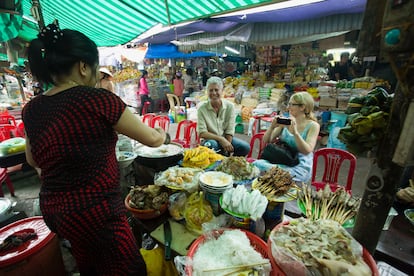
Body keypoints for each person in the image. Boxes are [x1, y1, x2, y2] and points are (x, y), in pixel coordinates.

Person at [23, 22, 169, 275]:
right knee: (129, 268)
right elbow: (153, 141)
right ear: (82, 66)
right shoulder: (98, 99)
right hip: (96, 215)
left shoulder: (32, 109)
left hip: (56, 212)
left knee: (89, 262)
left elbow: (33, 159)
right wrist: (163, 133)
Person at [253, 92, 320, 183]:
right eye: (289, 104)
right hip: (282, 160)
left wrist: (295, 134)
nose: (288, 107)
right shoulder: (287, 121)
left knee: (278, 172)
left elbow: (307, 150)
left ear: (302, 107)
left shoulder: (313, 126)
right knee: (257, 164)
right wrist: (272, 127)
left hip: (299, 165)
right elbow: (267, 140)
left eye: (292, 104)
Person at [197, 76, 250, 156]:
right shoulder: (202, 109)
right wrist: (221, 139)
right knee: (212, 145)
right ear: (207, 92)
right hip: (210, 140)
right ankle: (213, 165)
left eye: (216, 90)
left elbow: (230, 129)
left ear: (222, 91)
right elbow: (202, 133)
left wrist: (227, 146)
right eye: (211, 90)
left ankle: (230, 163)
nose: (214, 93)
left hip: (226, 138)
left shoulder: (230, 106)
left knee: (245, 147)